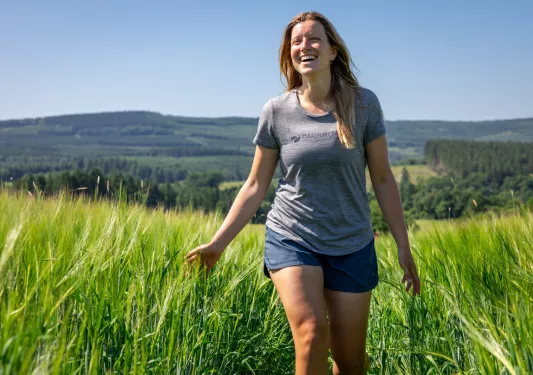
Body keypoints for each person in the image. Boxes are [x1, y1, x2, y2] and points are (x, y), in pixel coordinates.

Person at [186, 11, 421, 375]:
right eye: (297, 41)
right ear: (289, 54)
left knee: (351, 362)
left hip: (352, 242)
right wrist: (218, 243)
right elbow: (254, 185)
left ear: (332, 51)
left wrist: (403, 246)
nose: (304, 46)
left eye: (313, 39)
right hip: (292, 236)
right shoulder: (276, 111)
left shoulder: (364, 105)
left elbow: (384, 179)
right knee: (311, 336)